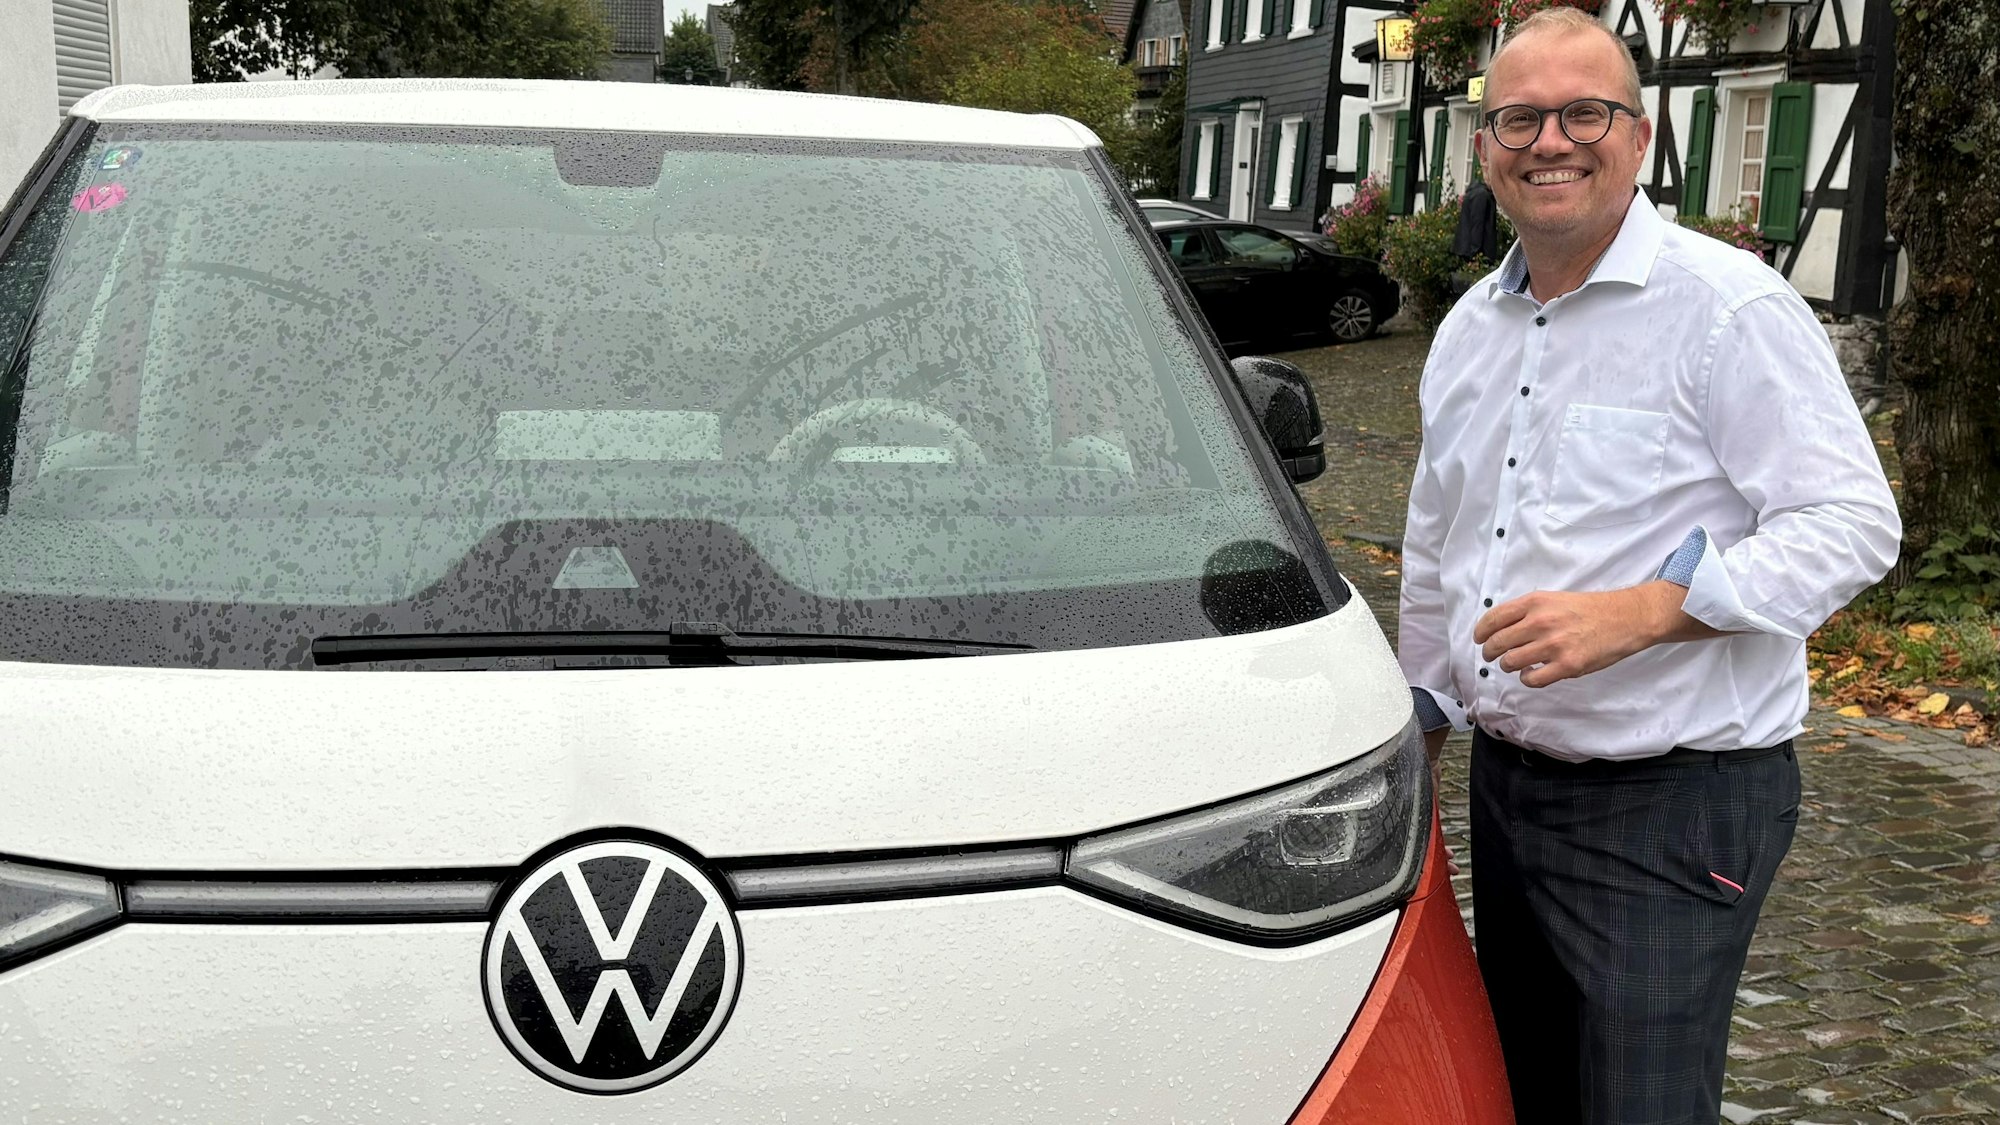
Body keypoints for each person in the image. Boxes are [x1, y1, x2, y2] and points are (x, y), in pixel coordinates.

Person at [1397, 9, 1900, 1125]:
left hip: (1674, 799)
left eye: (1583, 113)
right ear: (1482, 146)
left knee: (1637, 1103)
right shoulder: (1469, 328)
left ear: (1638, 135)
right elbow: (1438, 541)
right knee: (1522, 1084)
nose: (1549, 142)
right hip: (1509, 783)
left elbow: (1850, 524)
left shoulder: (1728, 309)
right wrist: (1419, 727)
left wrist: (1644, 612)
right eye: (1518, 118)